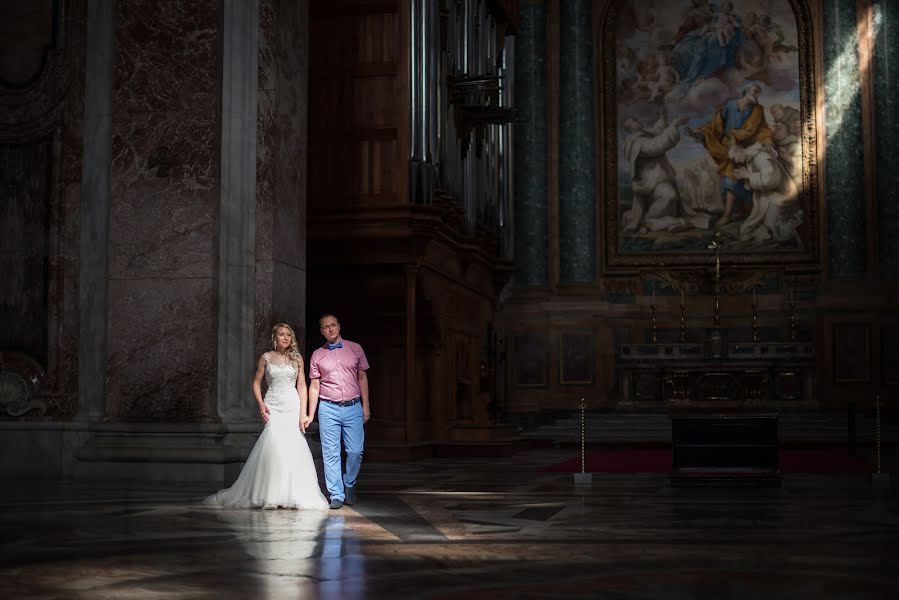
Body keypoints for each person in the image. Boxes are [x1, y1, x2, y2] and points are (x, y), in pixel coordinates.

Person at [205, 323, 327, 510]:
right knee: (274, 445)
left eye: (288, 335)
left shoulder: (297, 359)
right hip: (273, 405)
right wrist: (261, 404)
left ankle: (292, 493)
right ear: (274, 338)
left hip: (291, 404)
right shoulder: (266, 358)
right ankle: (271, 493)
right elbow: (256, 382)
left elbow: (302, 385)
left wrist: (303, 412)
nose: (285, 338)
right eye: (281, 334)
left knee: (292, 445)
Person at [306, 314, 370, 510]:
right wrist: (311, 413)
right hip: (328, 407)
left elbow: (362, 378)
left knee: (355, 451)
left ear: (339, 327)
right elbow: (314, 386)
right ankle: (336, 493)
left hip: (353, 406)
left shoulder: (355, 348)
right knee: (330, 453)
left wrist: (366, 406)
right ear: (322, 331)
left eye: (333, 325)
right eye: (326, 327)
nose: (330, 329)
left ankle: (349, 482)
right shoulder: (318, 354)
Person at [693, 82, 773, 226]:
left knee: (748, 183)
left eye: (758, 92)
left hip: (748, 150)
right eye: (755, 91)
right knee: (731, 179)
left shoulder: (757, 110)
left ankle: (746, 213)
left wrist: (767, 142)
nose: (757, 95)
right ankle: (727, 214)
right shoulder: (730, 106)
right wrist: (704, 133)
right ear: (746, 91)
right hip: (731, 148)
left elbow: (762, 129)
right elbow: (717, 124)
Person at [621, 113, 710, 234]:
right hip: (650, 182)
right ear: (629, 127)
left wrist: (663, 119)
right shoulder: (637, 142)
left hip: (657, 179)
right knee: (669, 195)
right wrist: (674, 125)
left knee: (670, 197)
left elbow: (656, 131)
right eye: (633, 119)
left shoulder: (644, 134)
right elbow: (657, 145)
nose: (637, 119)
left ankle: (660, 221)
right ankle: (650, 220)